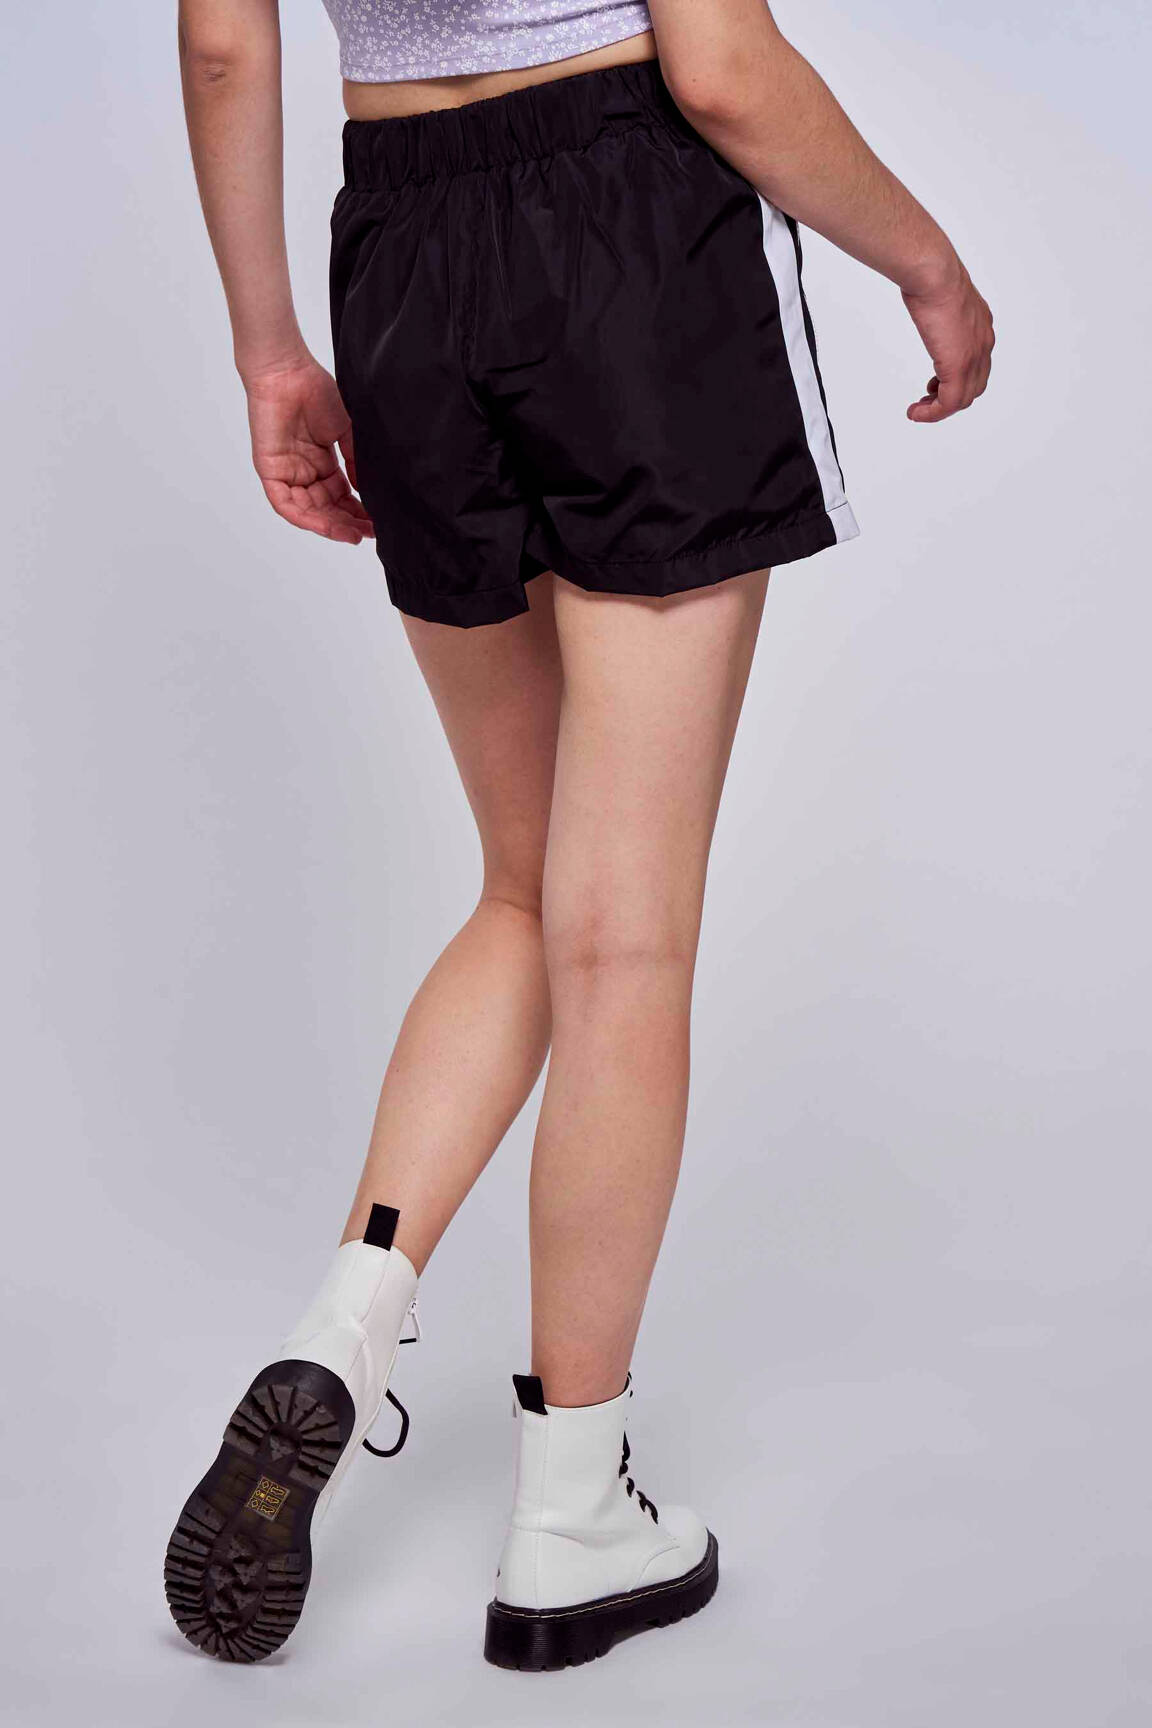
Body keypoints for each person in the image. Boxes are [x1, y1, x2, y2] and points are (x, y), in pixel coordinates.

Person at [164, 0, 994, 1671]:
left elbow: (224, 48)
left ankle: (348, 1320)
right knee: (622, 938)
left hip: (398, 241)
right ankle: (571, 1510)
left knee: (526, 890)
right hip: (632, 230)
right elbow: (722, 69)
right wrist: (928, 261)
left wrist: (270, 352)